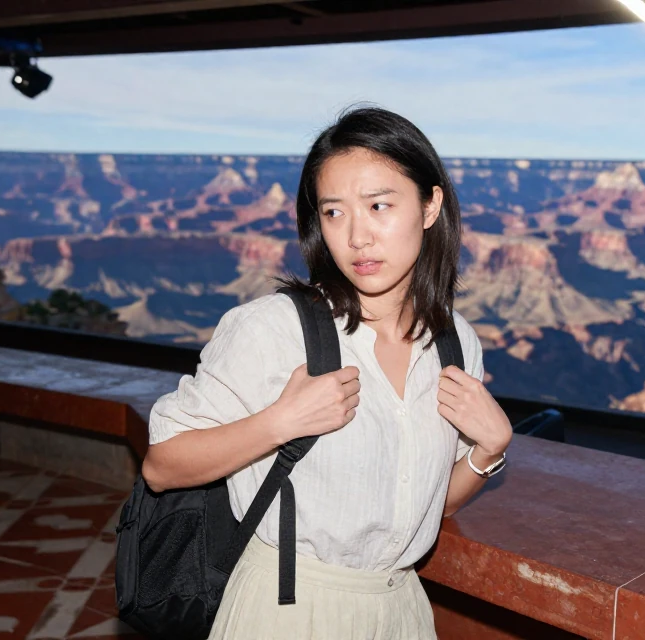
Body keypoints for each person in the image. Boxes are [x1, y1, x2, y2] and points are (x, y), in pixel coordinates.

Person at [141, 106, 513, 639]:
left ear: (430, 206)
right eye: (334, 213)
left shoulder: (455, 344)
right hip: (288, 611)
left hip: (400, 611)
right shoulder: (273, 330)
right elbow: (162, 466)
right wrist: (279, 422)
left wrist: (488, 452)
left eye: (379, 206)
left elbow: (429, 503)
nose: (357, 236)